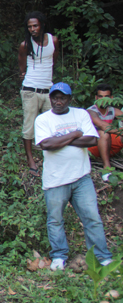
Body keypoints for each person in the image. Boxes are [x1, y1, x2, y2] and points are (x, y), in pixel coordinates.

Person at [34, 82, 113, 270]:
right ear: (50, 98)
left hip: (81, 177)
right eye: (55, 97)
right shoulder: (43, 119)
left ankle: (102, 257)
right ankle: (59, 256)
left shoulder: (81, 114)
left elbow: (92, 140)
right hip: (55, 180)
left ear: (70, 99)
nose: (58, 101)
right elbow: (46, 145)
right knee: (55, 220)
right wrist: (76, 134)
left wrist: (61, 140)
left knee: (92, 217)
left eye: (62, 98)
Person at [18, 11, 59, 177]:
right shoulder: (25, 45)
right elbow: (21, 66)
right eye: (29, 27)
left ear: (42, 25)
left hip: (48, 89)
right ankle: (30, 159)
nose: (32, 29)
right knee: (29, 126)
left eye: (35, 25)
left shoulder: (53, 41)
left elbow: (53, 60)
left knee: (52, 124)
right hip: (30, 90)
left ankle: (50, 156)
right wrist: (25, 75)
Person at [86, 84, 123, 182]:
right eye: (100, 97)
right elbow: (102, 125)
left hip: (109, 145)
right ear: (96, 98)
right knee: (104, 133)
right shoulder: (91, 111)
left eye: (106, 97)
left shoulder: (113, 110)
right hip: (93, 147)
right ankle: (106, 168)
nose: (103, 99)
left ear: (111, 98)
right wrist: (121, 131)